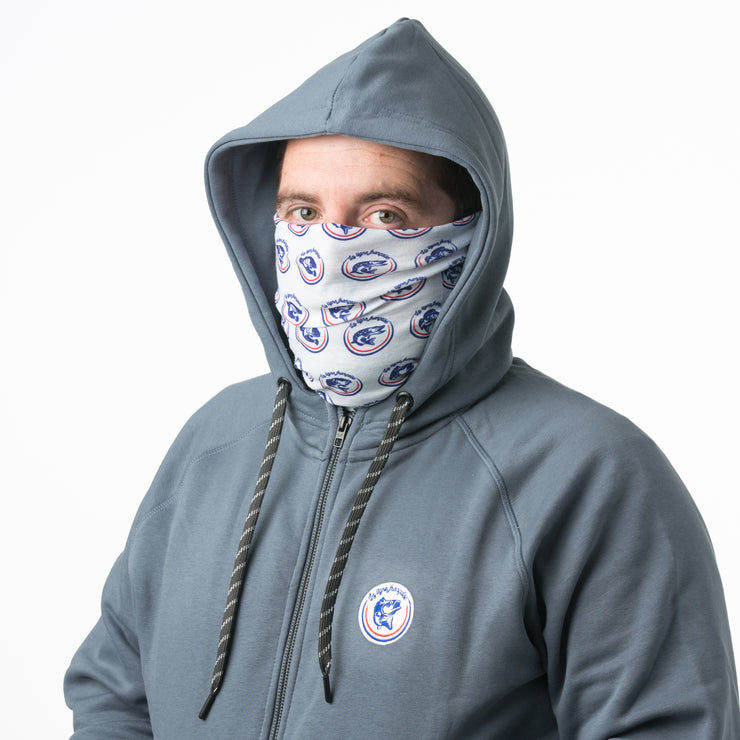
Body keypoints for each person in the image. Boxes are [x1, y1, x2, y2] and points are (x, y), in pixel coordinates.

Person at [64, 18, 740, 738]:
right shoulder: (215, 443)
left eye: (384, 213)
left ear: (472, 234)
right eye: (303, 212)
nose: (331, 249)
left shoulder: (587, 473)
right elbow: (115, 694)